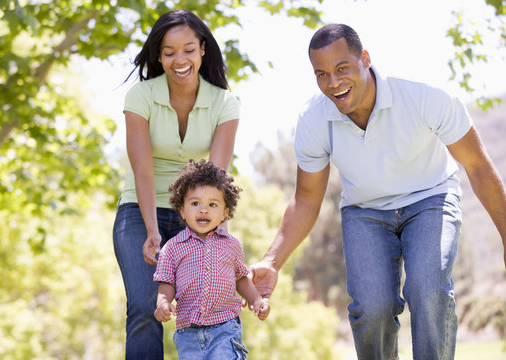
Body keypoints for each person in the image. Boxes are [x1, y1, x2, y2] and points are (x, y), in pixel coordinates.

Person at [250, 23, 506, 360]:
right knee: (372, 308)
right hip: (365, 211)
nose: (333, 82)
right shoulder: (314, 119)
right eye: (321, 74)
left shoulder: (422, 94)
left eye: (342, 68)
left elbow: (477, 166)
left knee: (428, 290)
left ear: (365, 59)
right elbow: (307, 199)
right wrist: (272, 260)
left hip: (430, 198)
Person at [112, 10, 240, 359]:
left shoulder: (225, 103)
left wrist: (216, 235)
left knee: (207, 306)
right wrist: (153, 231)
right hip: (140, 210)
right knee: (144, 307)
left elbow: (216, 178)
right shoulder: (140, 96)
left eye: (187, 50)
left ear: (202, 49)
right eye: (168, 52)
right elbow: (142, 169)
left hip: (194, 213)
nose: (178, 60)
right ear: (158, 55)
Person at [153, 159, 270, 359]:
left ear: (225, 213)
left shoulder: (231, 245)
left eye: (212, 204)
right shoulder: (172, 248)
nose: (204, 209)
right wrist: (162, 304)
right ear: (182, 209)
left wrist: (257, 299)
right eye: (195, 203)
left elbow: (241, 278)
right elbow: (167, 283)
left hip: (225, 328)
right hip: (187, 332)